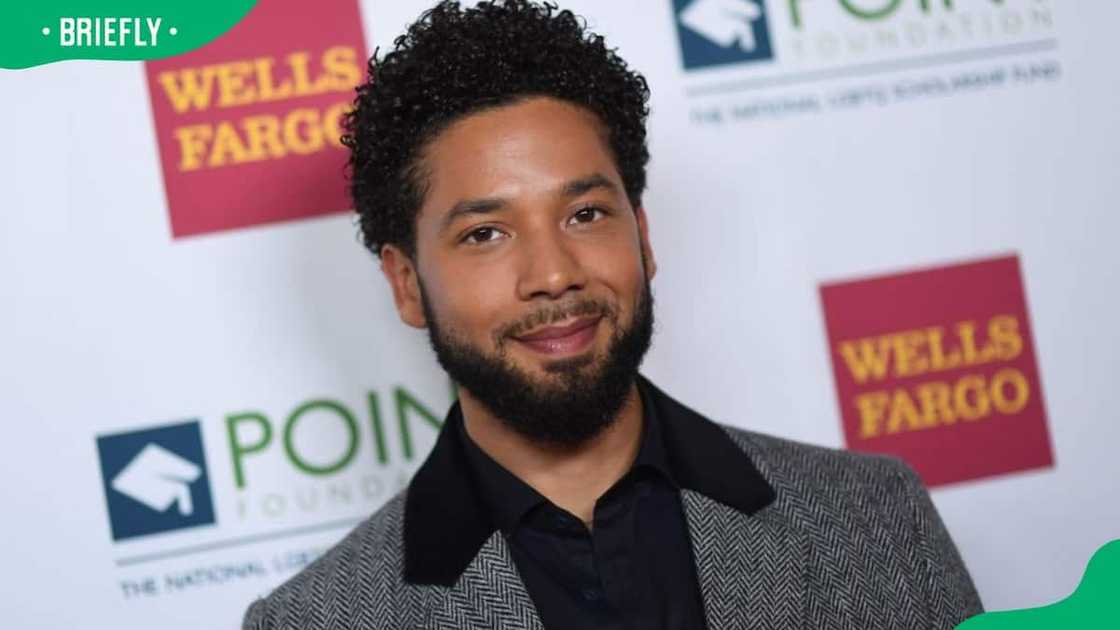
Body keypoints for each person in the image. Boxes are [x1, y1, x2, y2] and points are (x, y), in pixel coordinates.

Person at [243, 1, 983, 628]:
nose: (555, 274)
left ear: (643, 234)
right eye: (485, 234)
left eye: (587, 213)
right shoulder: (321, 619)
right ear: (406, 285)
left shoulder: (877, 521)